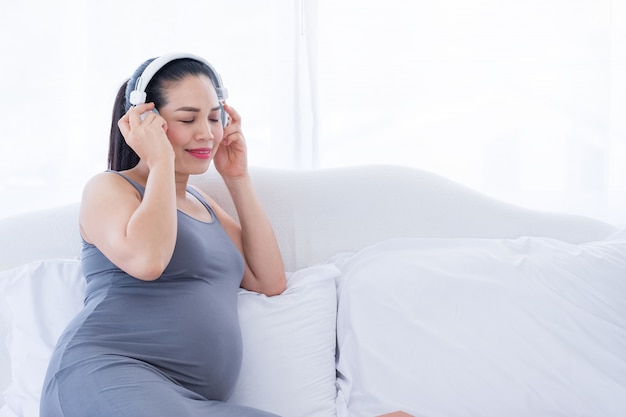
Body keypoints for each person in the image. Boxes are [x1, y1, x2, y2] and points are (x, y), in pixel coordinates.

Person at [40, 53, 286, 417]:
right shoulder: (110, 189)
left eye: (215, 118)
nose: (206, 133)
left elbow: (269, 281)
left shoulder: (202, 204)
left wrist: (238, 178)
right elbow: (148, 260)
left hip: (187, 402)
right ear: (147, 122)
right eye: (188, 119)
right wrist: (159, 162)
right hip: (107, 375)